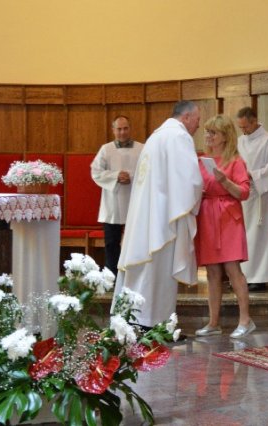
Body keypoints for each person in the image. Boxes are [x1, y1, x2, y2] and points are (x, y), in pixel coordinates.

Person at [111, 101, 203, 328]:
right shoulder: (179, 136)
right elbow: (190, 180)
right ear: (186, 117)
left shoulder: (155, 137)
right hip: (163, 218)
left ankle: (135, 320)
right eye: (197, 120)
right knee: (157, 269)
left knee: (144, 266)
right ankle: (153, 323)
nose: (198, 125)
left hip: (146, 215)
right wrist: (200, 194)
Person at [194, 115, 256, 339]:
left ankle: (245, 320)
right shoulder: (201, 160)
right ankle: (213, 322)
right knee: (212, 271)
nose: (208, 136)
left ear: (225, 136)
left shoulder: (235, 161)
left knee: (232, 269)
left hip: (229, 217)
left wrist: (223, 181)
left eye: (213, 132)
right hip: (207, 216)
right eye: (207, 131)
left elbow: (244, 193)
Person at [90, 116, 144, 277]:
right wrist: (116, 176)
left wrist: (131, 177)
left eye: (125, 128)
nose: (122, 132)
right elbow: (96, 171)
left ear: (130, 129)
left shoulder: (142, 149)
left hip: (135, 201)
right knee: (112, 242)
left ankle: (135, 274)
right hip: (112, 202)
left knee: (136, 242)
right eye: (119, 129)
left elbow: (149, 170)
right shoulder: (106, 149)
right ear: (113, 130)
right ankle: (111, 277)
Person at [236, 107, 268, 291]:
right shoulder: (240, 140)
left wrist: (252, 175)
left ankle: (259, 277)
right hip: (243, 194)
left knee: (259, 235)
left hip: (261, 193)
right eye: (240, 127)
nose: (243, 131)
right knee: (243, 235)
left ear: (254, 121)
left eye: (245, 126)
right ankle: (242, 276)